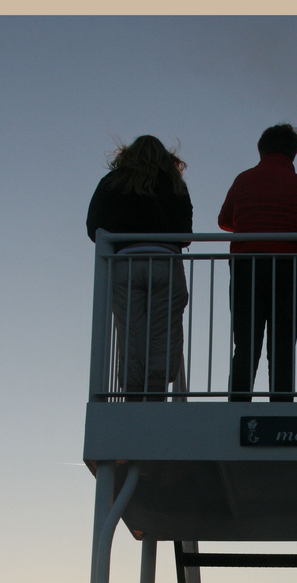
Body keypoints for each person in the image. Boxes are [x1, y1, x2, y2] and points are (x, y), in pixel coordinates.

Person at [87, 135, 193, 399]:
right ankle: (154, 401)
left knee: (132, 339)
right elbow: (185, 234)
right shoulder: (174, 184)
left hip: (126, 264)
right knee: (162, 338)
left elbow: (94, 228)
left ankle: (133, 402)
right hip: (165, 264)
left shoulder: (112, 183)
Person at [218, 123, 297, 402]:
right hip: (291, 269)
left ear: (261, 149)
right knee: (283, 345)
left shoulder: (243, 179)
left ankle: (238, 406)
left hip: (246, 266)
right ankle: (281, 409)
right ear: (293, 153)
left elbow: (224, 220)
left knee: (246, 343)